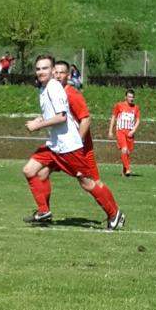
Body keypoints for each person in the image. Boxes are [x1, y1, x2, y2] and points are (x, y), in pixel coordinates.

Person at [23, 54, 124, 230]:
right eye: (38, 68)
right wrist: (38, 119)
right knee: (30, 170)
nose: (41, 72)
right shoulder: (44, 88)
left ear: (52, 70)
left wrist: (37, 126)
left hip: (68, 147)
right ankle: (43, 211)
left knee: (87, 182)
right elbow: (52, 114)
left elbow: (62, 117)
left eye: (45, 68)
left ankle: (114, 213)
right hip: (55, 145)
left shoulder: (54, 88)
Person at [107, 88, 142, 177]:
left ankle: (124, 172)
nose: (131, 99)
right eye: (129, 97)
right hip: (120, 131)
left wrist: (133, 130)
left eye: (132, 97)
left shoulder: (136, 108)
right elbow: (113, 117)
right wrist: (110, 130)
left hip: (130, 133)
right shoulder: (119, 105)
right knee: (124, 149)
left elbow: (138, 120)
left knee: (127, 153)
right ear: (125, 97)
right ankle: (128, 168)